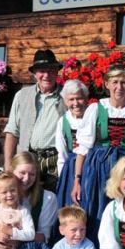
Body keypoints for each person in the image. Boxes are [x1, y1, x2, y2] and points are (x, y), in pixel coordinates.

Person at [71, 65, 125, 243]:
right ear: (107, 84)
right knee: (94, 211)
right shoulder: (95, 110)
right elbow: (83, 148)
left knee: (122, 212)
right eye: (115, 82)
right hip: (97, 169)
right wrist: (77, 180)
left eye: (123, 82)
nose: (119, 87)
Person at [4, 49, 66, 192]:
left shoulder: (67, 95)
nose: (46, 75)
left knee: (53, 201)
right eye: (41, 71)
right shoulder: (22, 95)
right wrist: (8, 164)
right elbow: (12, 131)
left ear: (57, 71)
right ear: (35, 73)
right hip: (27, 158)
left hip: (55, 160)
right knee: (26, 201)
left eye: (51, 70)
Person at [55, 79, 90, 207]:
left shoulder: (93, 117)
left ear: (86, 98)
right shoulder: (63, 122)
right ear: (65, 101)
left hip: (91, 166)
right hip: (71, 170)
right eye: (71, 99)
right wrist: (63, 179)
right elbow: (62, 154)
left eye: (79, 98)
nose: (76, 103)